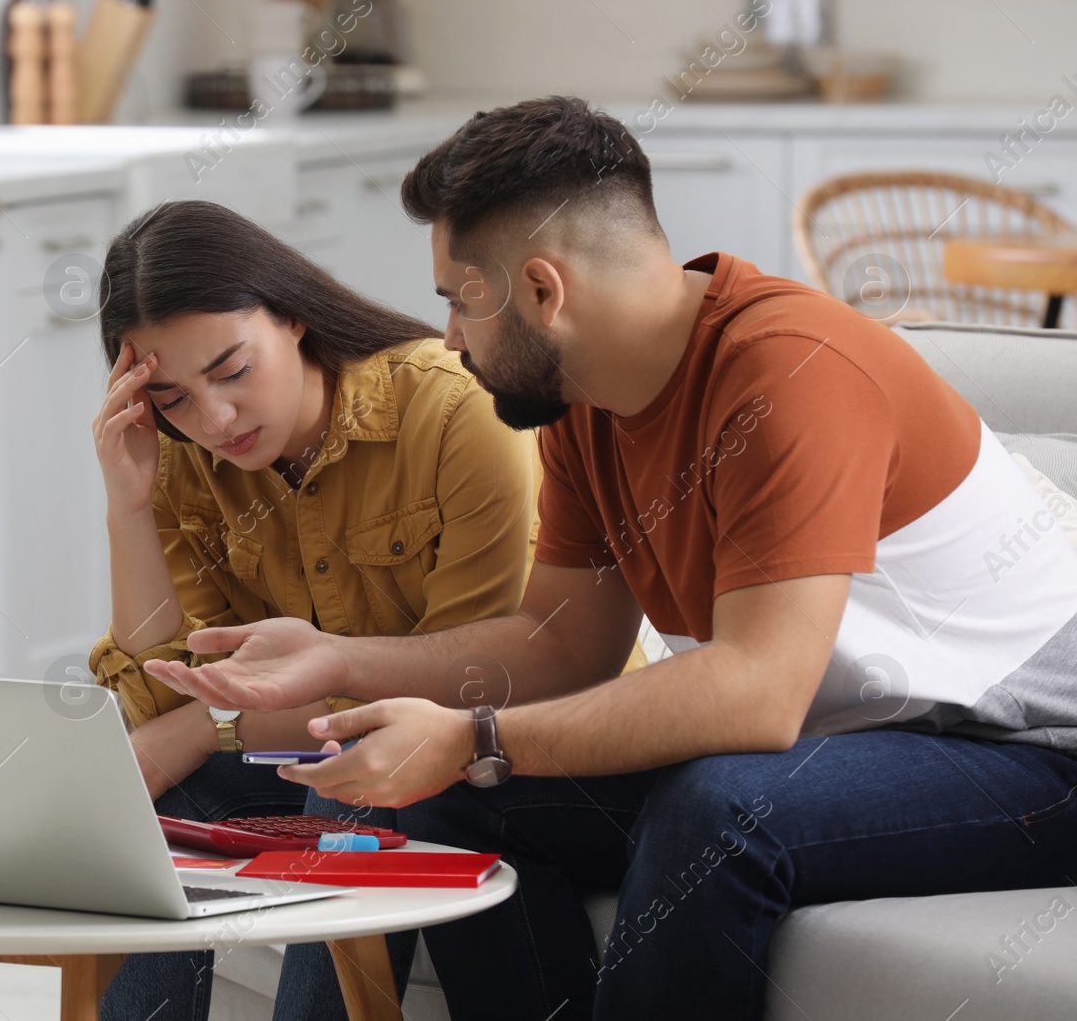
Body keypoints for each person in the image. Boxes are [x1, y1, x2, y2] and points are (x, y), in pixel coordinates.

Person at [145, 98, 1077, 1021]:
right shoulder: (580, 401)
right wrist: (342, 657)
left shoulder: (793, 375)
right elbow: (561, 644)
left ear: (544, 291)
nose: (452, 340)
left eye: (459, 303)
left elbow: (757, 691)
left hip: (1027, 752)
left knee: (717, 808)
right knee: (449, 803)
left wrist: (478, 735)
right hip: (855, 742)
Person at [86, 200, 559, 1021]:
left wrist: (208, 727)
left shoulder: (452, 410)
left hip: (517, 745)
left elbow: (475, 679)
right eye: (172, 398)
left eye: (233, 371)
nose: (215, 419)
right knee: (152, 810)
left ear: (294, 316)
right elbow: (167, 695)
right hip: (328, 739)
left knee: (352, 777)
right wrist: (128, 506)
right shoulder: (185, 461)